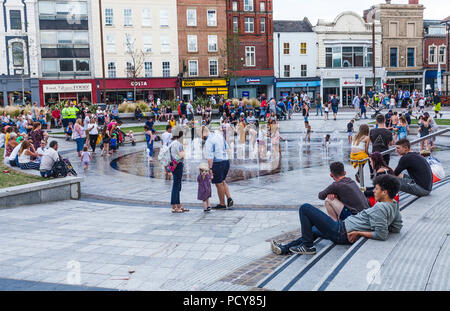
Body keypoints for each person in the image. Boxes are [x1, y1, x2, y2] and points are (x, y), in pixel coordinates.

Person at [271, 175, 402, 255]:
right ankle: (285, 248)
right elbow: (396, 227)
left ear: (384, 192)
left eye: (376, 189)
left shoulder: (380, 207)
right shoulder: (394, 204)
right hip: (342, 228)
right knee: (312, 230)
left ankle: (307, 246)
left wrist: (359, 232)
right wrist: (374, 225)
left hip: (341, 232)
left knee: (305, 208)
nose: (373, 190)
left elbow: (381, 234)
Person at [202, 126, 234, 209]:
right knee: (223, 181)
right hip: (226, 161)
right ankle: (229, 198)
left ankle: (222, 204)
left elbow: (210, 157)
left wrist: (210, 169)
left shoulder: (209, 141)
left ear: (204, 133)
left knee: (218, 184)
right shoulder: (219, 135)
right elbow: (227, 148)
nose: (202, 138)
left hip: (217, 163)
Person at [169, 127, 188, 213]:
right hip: (178, 165)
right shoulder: (179, 144)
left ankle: (178, 205)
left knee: (177, 185)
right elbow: (182, 155)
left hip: (173, 165)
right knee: (176, 186)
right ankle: (174, 206)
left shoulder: (172, 143)